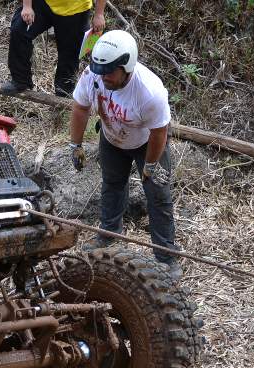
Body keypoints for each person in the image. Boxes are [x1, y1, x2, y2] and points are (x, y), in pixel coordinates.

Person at [68, 30, 181, 279]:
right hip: (112, 137)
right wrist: (74, 145)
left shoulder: (149, 92)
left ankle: (166, 257)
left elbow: (159, 132)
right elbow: (80, 108)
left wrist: (150, 165)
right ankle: (109, 235)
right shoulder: (93, 77)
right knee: (112, 184)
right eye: (100, 69)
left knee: (158, 193)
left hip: (147, 143)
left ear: (126, 67)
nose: (103, 76)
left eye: (109, 71)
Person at [3, 0, 106, 97]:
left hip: (75, 10)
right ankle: (20, 81)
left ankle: (63, 95)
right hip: (45, 4)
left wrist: (99, 14)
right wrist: (27, 6)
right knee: (19, 29)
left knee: (69, 55)